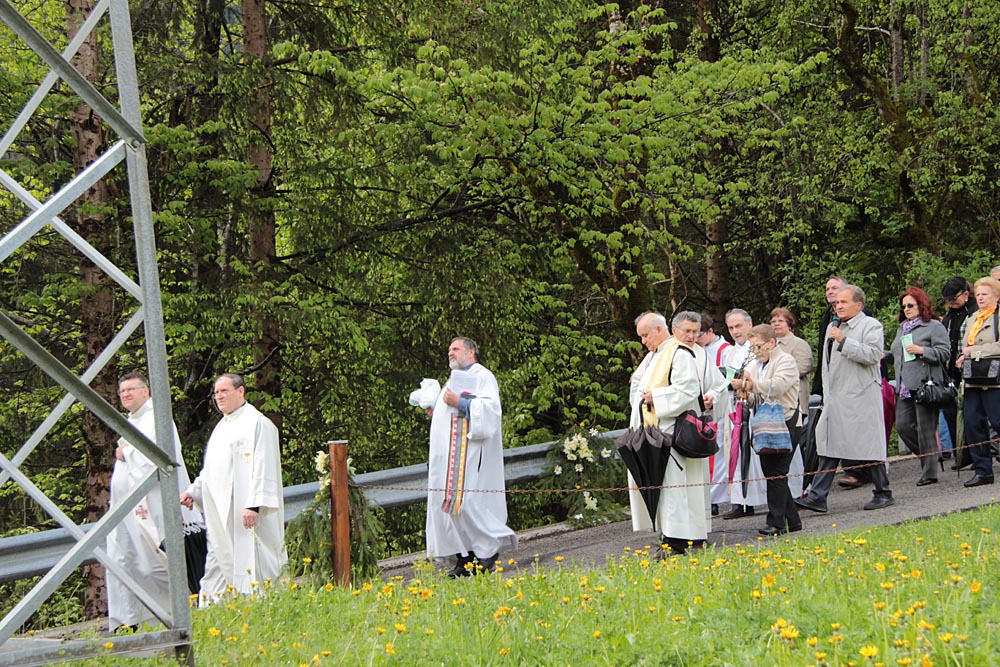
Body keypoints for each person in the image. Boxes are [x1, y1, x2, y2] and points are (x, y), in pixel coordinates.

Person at [180, 373, 286, 604]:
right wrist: (193, 492)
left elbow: (265, 466)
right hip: (220, 512)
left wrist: (254, 505)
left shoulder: (258, 424)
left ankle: (267, 605)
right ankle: (213, 609)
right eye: (216, 393)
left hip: (247, 512)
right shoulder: (221, 428)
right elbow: (211, 470)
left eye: (224, 391)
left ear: (240, 391)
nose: (219, 397)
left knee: (255, 560)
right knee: (218, 559)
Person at [106, 372, 201, 630]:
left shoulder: (157, 419)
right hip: (126, 510)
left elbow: (160, 459)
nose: (125, 394)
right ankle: (129, 620)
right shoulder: (130, 422)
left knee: (154, 564)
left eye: (131, 389)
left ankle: (177, 611)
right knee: (124, 560)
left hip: (152, 506)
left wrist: (127, 453)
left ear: (146, 391)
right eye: (122, 391)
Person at [796, 285, 894, 513]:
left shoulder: (871, 325)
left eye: (843, 302)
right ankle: (818, 496)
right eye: (837, 302)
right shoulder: (833, 326)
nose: (838, 306)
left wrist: (843, 341)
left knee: (870, 445)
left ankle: (883, 492)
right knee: (829, 444)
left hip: (861, 397)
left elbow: (873, 355)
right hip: (836, 398)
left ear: (858, 305)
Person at [424, 337, 516, 577]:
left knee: (468, 504)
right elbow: (449, 413)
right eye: (449, 349)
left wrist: (460, 402)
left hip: (471, 456)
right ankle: (464, 557)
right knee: (449, 507)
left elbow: (490, 410)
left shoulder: (482, 376)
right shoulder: (453, 379)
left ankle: (486, 552)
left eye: (455, 348)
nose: (450, 353)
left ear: (471, 351)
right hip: (448, 458)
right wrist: (437, 410)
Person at [628, 311, 710, 555]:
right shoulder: (654, 356)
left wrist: (656, 397)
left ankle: (677, 540)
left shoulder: (679, 353)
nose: (643, 341)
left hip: (673, 431)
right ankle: (676, 535)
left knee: (675, 488)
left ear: (658, 329)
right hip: (655, 430)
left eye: (645, 335)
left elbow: (688, 389)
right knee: (667, 487)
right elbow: (637, 385)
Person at [732, 325, 802, 536]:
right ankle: (793, 520)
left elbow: (777, 386)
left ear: (772, 343)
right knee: (771, 472)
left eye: (758, 346)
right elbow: (757, 398)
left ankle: (776, 522)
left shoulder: (786, 361)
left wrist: (748, 385)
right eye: (752, 348)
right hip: (764, 424)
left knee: (777, 472)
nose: (755, 352)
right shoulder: (755, 366)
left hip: (786, 421)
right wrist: (746, 396)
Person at [889, 287, 951, 486]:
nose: (906, 309)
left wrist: (922, 350)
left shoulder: (933, 326)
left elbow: (945, 353)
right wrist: (884, 355)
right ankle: (932, 456)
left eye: (910, 305)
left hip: (926, 384)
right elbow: (898, 355)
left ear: (921, 305)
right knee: (903, 426)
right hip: (904, 387)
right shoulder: (901, 328)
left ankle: (930, 473)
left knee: (926, 429)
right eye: (904, 306)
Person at [956, 277, 1000, 487]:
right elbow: (964, 346)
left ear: (996, 296)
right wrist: (962, 357)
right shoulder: (972, 318)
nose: (980, 298)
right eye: (978, 294)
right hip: (972, 380)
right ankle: (983, 471)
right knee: (973, 424)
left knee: (998, 422)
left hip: (995, 380)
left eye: (985, 294)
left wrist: (974, 352)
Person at [723, 308, 766, 518]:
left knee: (756, 454)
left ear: (749, 324)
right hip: (735, 409)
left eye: (738, 326)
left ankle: (761, 497)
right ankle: (741, 501)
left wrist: (745, 384)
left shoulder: (758, 348)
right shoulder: (729, 352)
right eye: (731, 327)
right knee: (736, 453)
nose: (735, 331)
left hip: (755, 407)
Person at [940, 276, 977, 469]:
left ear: (966, 294)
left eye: (954, 298)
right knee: (950, 413)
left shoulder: (975, 313)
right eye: (948, 299)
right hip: (950, 372)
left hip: (971, 369)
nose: (951, 302)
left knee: (971, 416)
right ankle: (961, 455)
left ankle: (977, 455)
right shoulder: (948, 317)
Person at [697, 314, 732, 515]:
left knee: (718, 455)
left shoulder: (725, 350)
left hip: (722, 407)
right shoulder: (697, 350)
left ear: (710, 331)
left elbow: (728, 378)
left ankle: (715, 498)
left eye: (700, 334)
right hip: (704, 407)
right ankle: (709, 496)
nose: (696, 339)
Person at [769, 307, 813, 420]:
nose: (776, 324)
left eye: (780, 321)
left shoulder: (799, 344)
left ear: (789, 325)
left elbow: (804, 367)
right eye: (773, 321)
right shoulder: (768, 346)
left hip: (794, 404)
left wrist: (777, 375)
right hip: (772, 405)